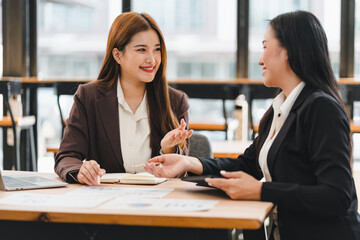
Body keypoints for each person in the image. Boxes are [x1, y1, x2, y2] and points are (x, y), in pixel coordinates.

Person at [145, 11, 360, 240]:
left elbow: (337, 196)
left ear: (287, 52)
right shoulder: (280, 108)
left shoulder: (320, 109)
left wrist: (261, 191)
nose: (260, 59)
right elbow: (247, 165)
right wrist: (187, 162)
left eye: (265, 47)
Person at [55, 12, 193, 186]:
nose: (152, 59)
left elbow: (184, 169)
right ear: (117, 55)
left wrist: (168, 149)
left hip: (159, 202)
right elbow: (66, 157)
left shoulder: (175, 101)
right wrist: (81, 171)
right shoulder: (88, 97)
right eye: (141, 49)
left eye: (157, 49)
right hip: (105, 200)